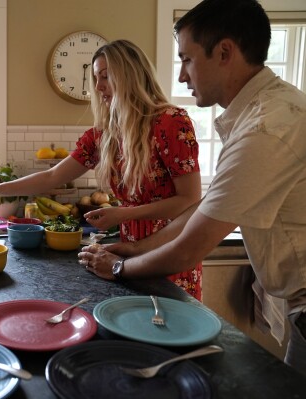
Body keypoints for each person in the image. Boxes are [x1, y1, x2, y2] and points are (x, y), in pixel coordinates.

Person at [78, 0, 306, 375]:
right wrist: (134, 248)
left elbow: (190, 247)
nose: (182, 76)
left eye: (186, 59)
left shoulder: (265, 130)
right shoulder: (266, 113)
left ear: (224, 52)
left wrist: (119, 267)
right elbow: (203, 213)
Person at [0, 39, 203, 299]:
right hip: (127, 252)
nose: (98, 87)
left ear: (130, 76)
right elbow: (52, 176)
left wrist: (123, 214)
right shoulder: (105, 134)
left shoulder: (171, 122)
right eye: (95, 78)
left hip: (171, 248)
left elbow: (189, 200)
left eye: (105, 76)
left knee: (171, 328)